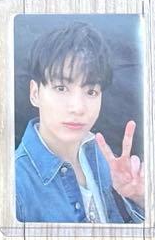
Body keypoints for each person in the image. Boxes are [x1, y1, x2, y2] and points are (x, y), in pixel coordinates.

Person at [14, 22, 144, 224]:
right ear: (35, 93)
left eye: (91, 91)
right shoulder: (15, 186)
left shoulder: (99, 153)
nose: (78, 108)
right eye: (61, 88)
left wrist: (138, 199)